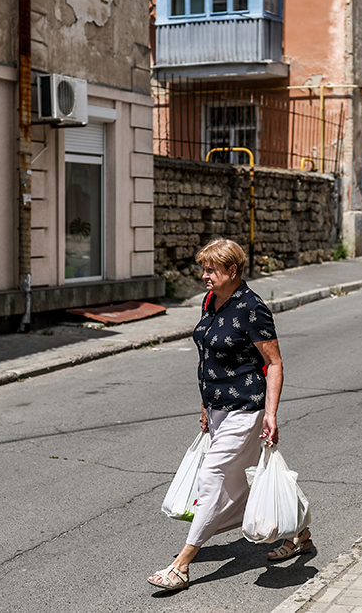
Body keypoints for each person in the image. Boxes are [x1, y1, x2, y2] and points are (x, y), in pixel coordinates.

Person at [147, 238, 314, 591]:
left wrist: (271, 414)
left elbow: (274, 363)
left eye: (211, 270)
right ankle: (300, 533)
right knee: (248, 479)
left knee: (212, 478)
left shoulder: (252, 309)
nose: (204, 276)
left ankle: (181, 564)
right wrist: (204, 407)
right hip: (218, 409)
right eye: (203, 269)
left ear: (232, 271)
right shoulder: (211, 301)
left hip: (247, 408)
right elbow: (207, 355)